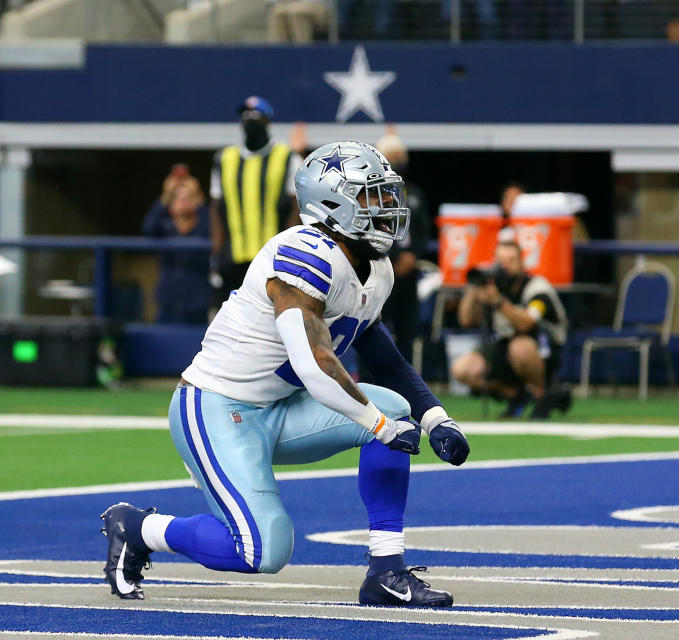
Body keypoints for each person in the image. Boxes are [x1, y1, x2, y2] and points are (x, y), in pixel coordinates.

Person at [101, 141, 470, 608]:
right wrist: (378, 425)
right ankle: (138, 528)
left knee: (397, 408)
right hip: (217, 406)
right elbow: (314, 364)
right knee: (264, 547)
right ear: (333, 203)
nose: (388, 208)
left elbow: (383, 355)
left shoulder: (376, 268)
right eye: (373, 196)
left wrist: (436, 418)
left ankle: (386, 571)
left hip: (280, 409)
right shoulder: (303, 252)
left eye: (386, 195)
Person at [452, 240, 570, 419]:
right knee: (462, 369)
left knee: (520, 348)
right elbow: (466, 320)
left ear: (522, 263)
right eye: (501, 261)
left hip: (542, 353)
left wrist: (498, 301)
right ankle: (515, 394)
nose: (505, 266)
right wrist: (473, 291)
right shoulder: (493, 287)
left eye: (511, 260)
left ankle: (541, 395)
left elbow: (527, 323)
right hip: (502, 350)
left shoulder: (538, 288)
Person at [210, 96, 302, 305]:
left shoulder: (287, 157)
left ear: (267, 121)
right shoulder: (225, 158)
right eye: (245, 116)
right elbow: (216, 207)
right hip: (233, 256)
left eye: (255, 116)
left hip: (273, 259)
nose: (249, 120)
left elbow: (296, 208)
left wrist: (287, 251)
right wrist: (217, 252)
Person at [376, 127, 430, 363]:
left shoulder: (415, 193)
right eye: (392, 157)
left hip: (408, 275)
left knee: (407, 330)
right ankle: (370, 383)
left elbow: (424, 231)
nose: (398, 161)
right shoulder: (372, 195)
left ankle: (406, 386)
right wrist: (394, 256)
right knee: (375, 329)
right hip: (381, 269)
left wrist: (412, 255)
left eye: (401, 157)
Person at [141, 173, 211, 324]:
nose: (184, 201)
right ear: (170, 206)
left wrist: (198, 196)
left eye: (188, 198)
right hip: (167, 301)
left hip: (196, 302)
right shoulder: (165, 228)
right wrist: (166, 194)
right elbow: (148, 228)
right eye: (178, 198)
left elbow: (212, 228)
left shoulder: (202, 227)